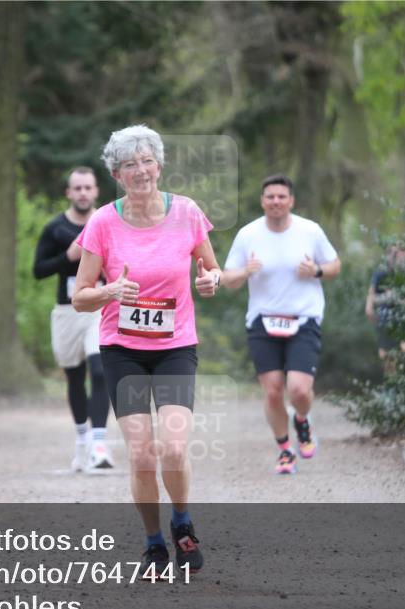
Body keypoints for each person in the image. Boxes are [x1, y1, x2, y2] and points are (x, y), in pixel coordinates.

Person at [72, 125, 220, 576]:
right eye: (130, 164)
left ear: (160, 164)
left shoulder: (188, 213)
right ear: (117, 174)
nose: (141, 171)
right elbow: (80, 295)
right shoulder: (103, 222)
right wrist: (111, 289)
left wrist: (210, 280)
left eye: (147, 161)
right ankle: (154, 543)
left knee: (174, 449)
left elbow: (213, 271)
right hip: (123, 349)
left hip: (175, 346)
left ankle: (182, 522)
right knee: (141, 454)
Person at [221, 174, 341, 475]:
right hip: (263, 321)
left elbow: (335, 266)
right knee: (273, 391)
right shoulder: (248, 235)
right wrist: (245, 272)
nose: (275, 201)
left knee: (298, 390)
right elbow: (227, 280)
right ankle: (285, 449)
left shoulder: (309, 231)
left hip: (304, 318)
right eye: (270, 197)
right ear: (262, 201)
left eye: (281, 196)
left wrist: (315, 270)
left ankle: (302, 420)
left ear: (291, 201)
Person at [33, 167, 113, 471]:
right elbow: (38, 271)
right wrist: (68, 258)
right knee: (75, 377)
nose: (82, 193)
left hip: (99, 306)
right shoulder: (55, 228)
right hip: (67, 311)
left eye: (87, 188)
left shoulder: (106, 225)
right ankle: (82, 440)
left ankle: (100, 443)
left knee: (100, 369)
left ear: (96, 192)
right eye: (76, 188)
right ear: (68, 193)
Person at [365, 244, 405, 374]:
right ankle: (392, 383)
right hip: (385, 319)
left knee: (404, 350)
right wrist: (370, 309)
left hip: (404, 319)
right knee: (386, 356)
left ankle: (402, 381)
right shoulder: (381, 272)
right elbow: (371, 295)